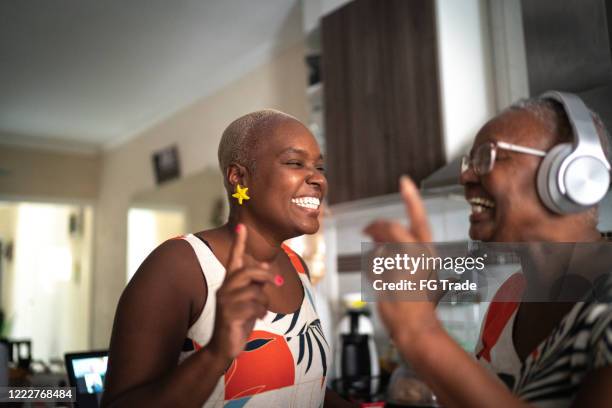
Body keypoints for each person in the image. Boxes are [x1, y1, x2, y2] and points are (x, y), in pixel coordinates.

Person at [365, 93, 612, 407]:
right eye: (469, 162)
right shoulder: (509, 297)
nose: (465, 176)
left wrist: (421, 332)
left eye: (487, 156)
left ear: (571, 175)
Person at [102, 110, 352, 407]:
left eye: (320, 167)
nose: (319, 179)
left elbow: (305, 386)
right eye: (295, 163)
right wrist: (217, 352)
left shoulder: (297, 267)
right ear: (239, 177)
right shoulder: (179, 265)